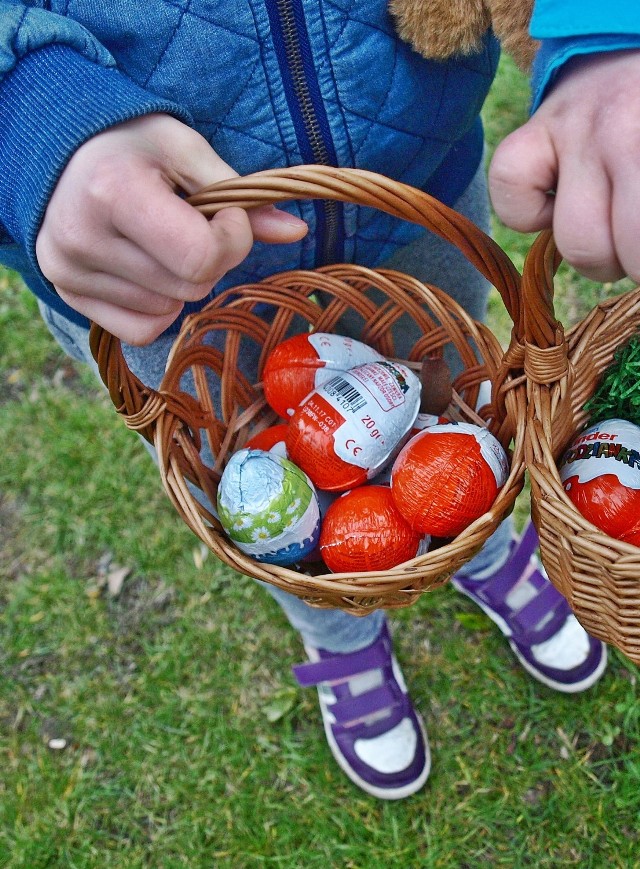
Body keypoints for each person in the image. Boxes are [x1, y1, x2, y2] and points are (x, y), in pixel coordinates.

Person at [2, 1, 635, 800]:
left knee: (452, 397)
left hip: (414, 196)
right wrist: (30, 110)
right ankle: (339, 631)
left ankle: (480, 543)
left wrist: (603, 29)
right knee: (235, 483)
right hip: (155, 269)